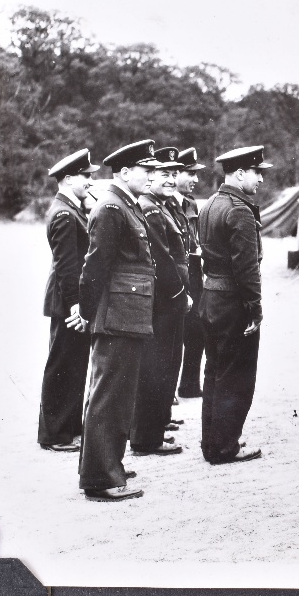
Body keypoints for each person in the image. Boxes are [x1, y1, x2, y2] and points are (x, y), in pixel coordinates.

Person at [76, 139, 162, 501]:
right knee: (109, 396)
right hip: (116, 316)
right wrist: (86, 312)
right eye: (148, 169)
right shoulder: (112, 207)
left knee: (116, 395)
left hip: (126, 314)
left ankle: (108, 465)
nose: (153, 175)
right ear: (126, 172)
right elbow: (94, 267)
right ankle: (100, 478)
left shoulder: (123, 204)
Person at [198, 145, 269, 463]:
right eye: (257, 173)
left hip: (211, 296)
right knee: (236, 376)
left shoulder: (211, 204)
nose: (260, 180)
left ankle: (211, 443)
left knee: (214, 372)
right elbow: (247, 267)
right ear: (240, 174)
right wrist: (255, 306)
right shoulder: (239, 209)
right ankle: (225, 446)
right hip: (233, 302)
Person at [129, 147, 189, 457]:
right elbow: (162, 259)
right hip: (165, 300)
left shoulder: (161, 206)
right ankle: (146, 438)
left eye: (172, 173)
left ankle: (152, 431)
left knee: (164, 365)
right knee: (156, 366)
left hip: (170, 299)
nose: (169, 179)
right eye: (163, 173)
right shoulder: (151, 208)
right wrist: (180, 292)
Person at [38, 148, 99, 453]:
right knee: (62, 365)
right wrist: (76, 304)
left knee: (74, 364)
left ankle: (68, 427)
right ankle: (54, 435)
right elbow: (67, 266)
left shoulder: (71, 208)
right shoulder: (64, 212)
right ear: (69, 178)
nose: (91, 181)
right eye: (86, 176)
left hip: (68, 300)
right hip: (67, 302)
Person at [173, 148, 206, 399]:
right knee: (172, 336)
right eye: (189, 173)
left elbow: (194, 240)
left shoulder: (191, 204)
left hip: (194, 274)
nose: (195, 179)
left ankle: (189, 385)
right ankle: (167, 392)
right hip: (174, 275)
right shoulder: (164, 203)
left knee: (197, 331)